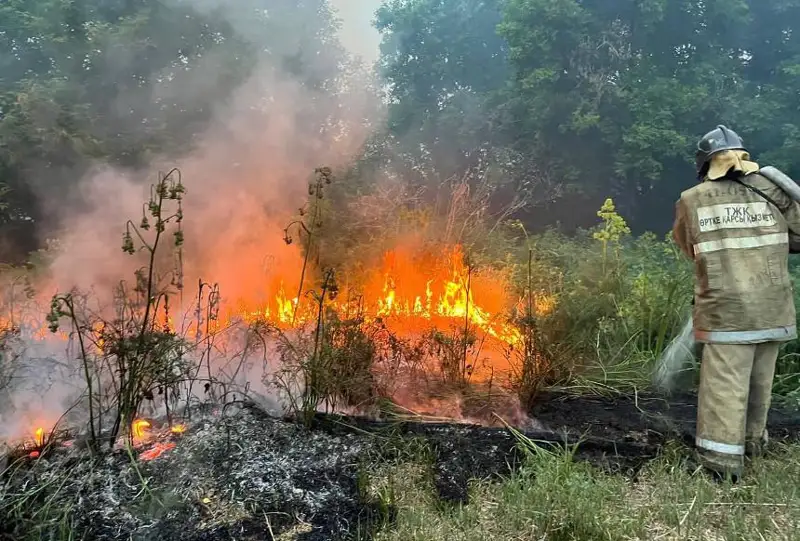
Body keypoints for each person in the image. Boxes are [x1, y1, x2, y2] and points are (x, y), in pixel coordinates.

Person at [672, 125, 800, 481]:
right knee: (760, 382)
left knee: (725, 386)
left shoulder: (692, 198)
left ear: (704, 165)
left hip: (727, 311)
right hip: (773, 306)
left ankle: (721, 464)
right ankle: (752, 444)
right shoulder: (774, 191)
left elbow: (688, 246)